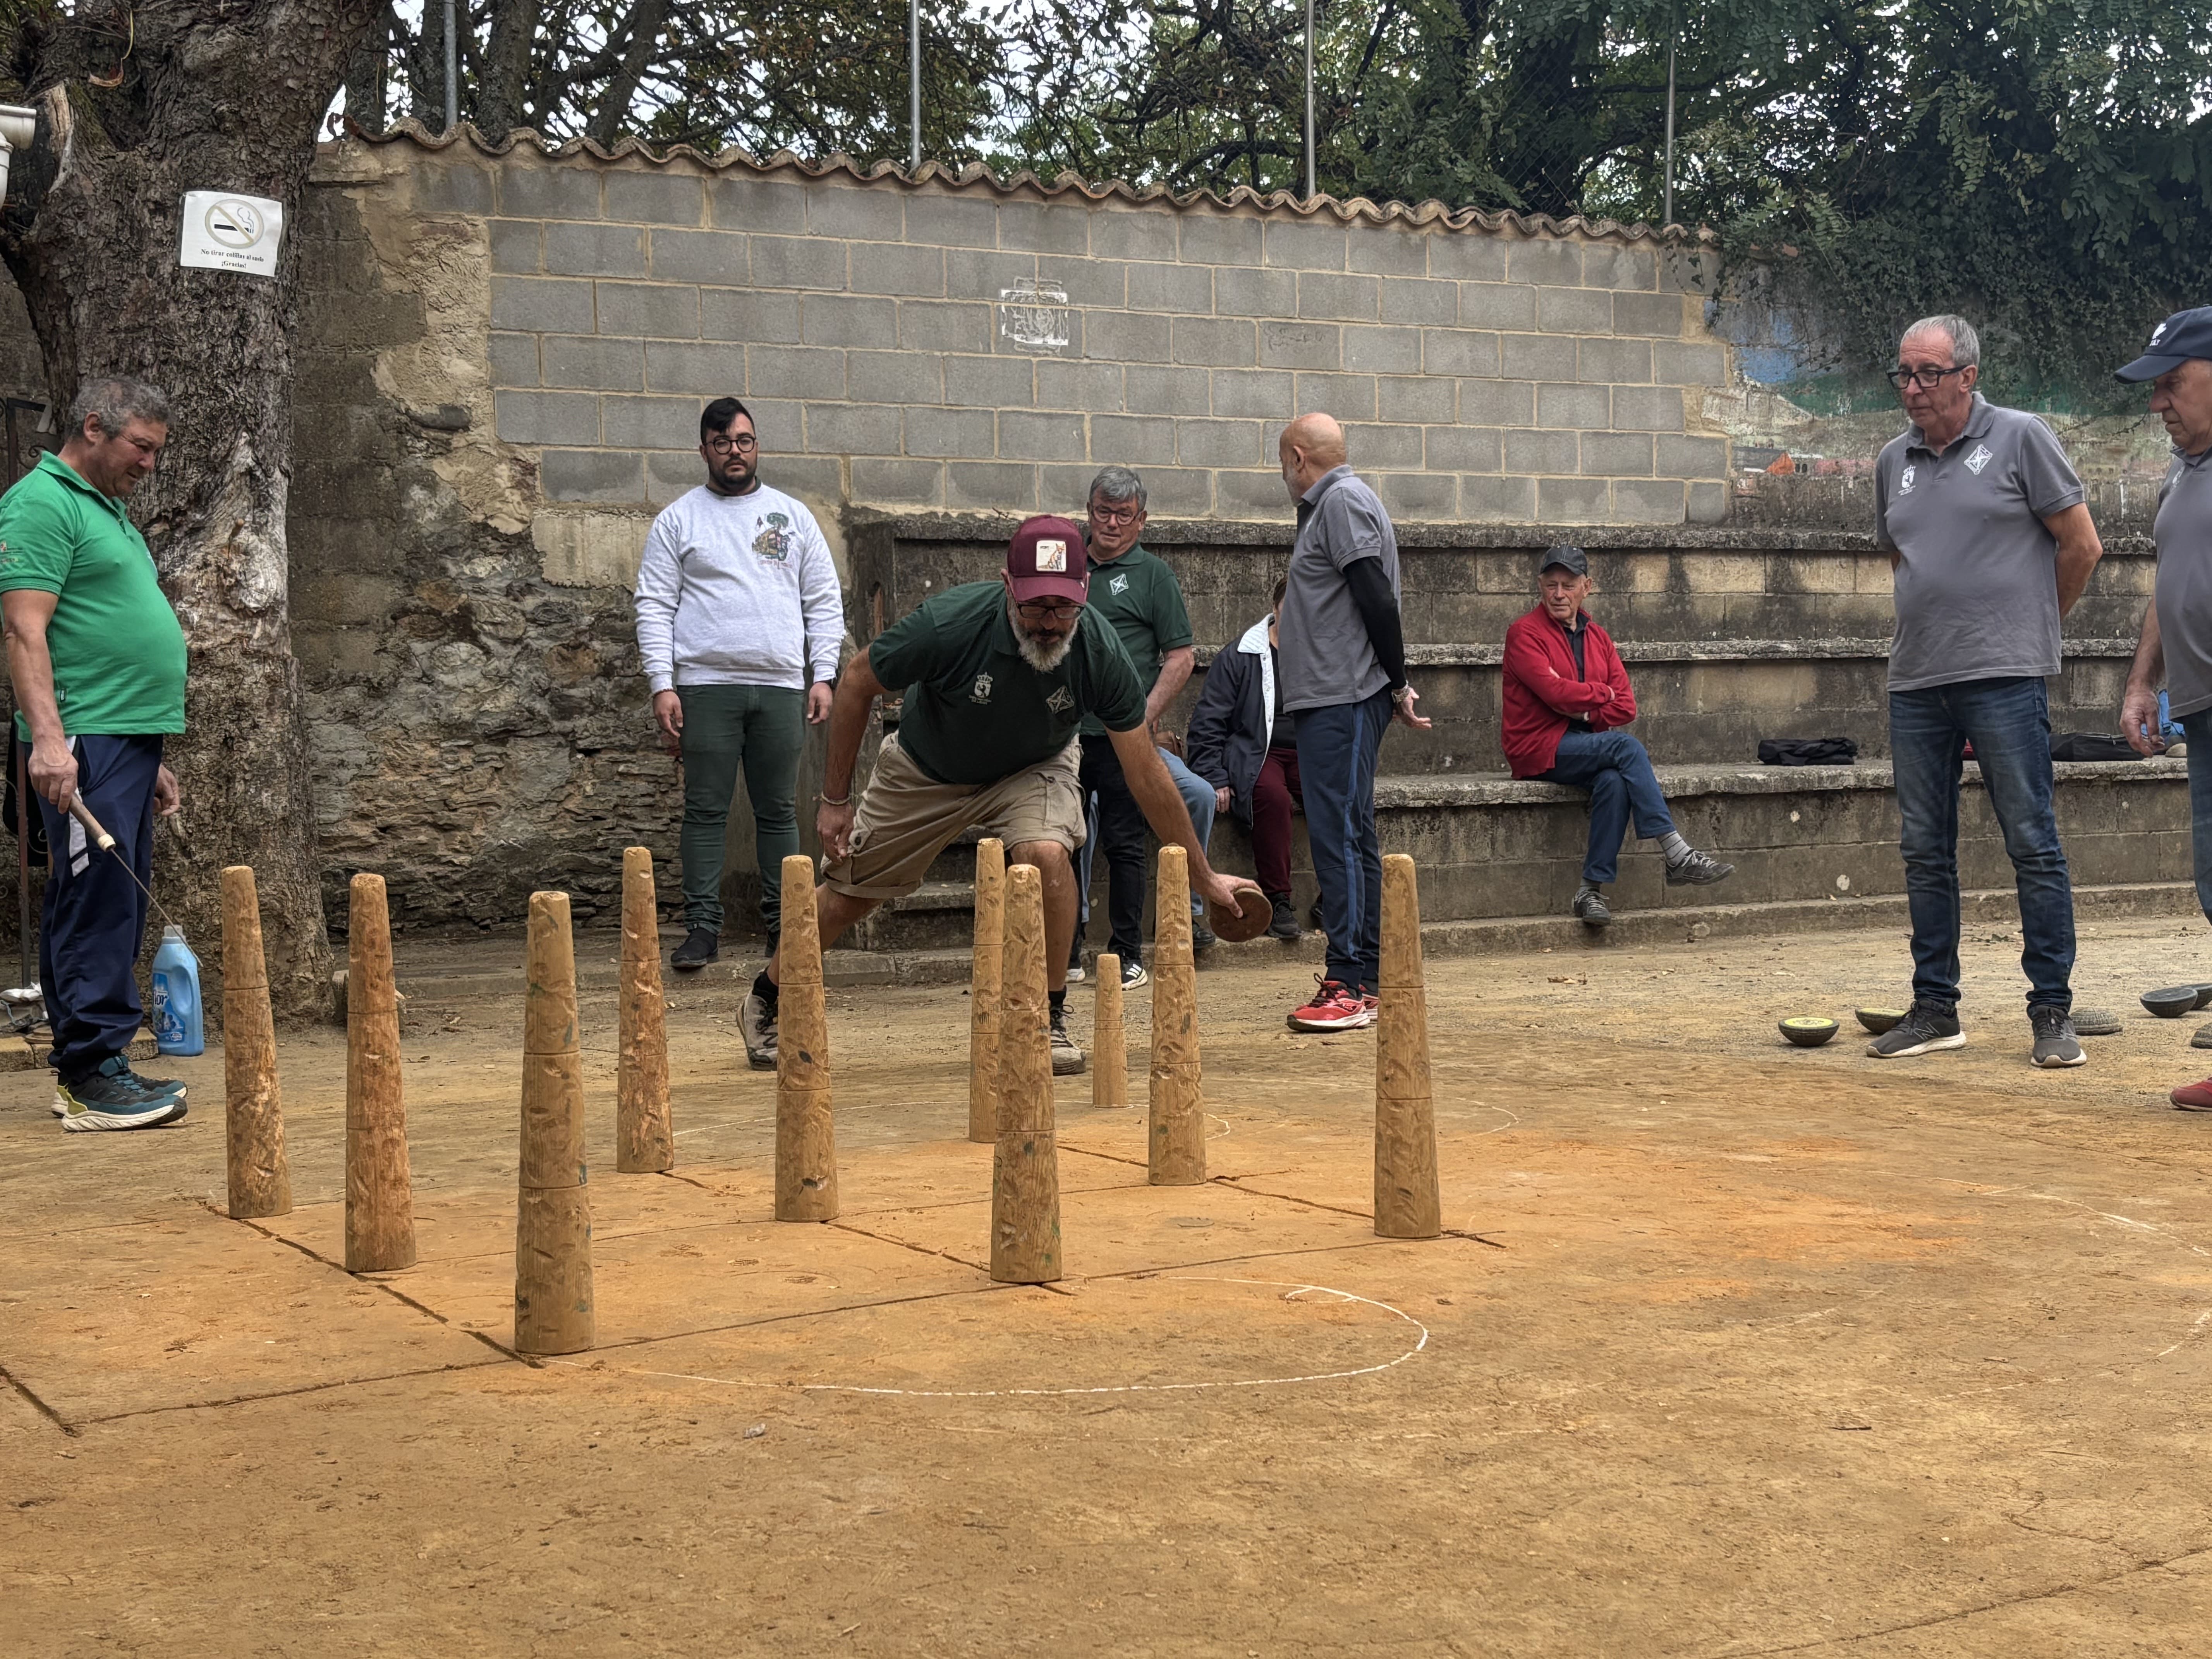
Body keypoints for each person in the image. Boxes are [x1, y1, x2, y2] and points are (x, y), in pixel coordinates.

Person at [738, 515, 1244, 1076]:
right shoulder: (950, 623)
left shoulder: (1097, 649)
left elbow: (1147, 772)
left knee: (1048, 856)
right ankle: (767, 996)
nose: (1049, 625)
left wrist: (1203, 874)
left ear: (1084, 596)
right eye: (1034, 607)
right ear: (1008, 587)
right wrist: (834, 799)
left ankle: (1047, 1017)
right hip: (928, 768)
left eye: (1063, 608)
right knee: (850, 895)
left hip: (1035, 766)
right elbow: (858, 680)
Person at [1869, 314, 2104, 1067]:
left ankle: (2052, 1011)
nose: (1912, 388)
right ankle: (1936, 1006)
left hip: (2004, 677)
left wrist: (2029, 631)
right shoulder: (1890, 461)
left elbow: (2083, 544)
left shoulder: (2021, 437)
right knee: (1922, 850)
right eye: (1904, 373)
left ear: (1968, 376)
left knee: (2032, 842)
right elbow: (1905, 561)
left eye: (1928, 374)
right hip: (1917, 680)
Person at [0, 376, 188, 1130]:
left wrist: (149, 752)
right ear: (93, 428)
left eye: (155, 452)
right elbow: (24, 631)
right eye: (141, 448)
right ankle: (86, 1077)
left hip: (122, 738)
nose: (150, 464)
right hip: (81, 737)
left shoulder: (107, 513)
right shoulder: (40, 503)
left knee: (110, 898)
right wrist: (49, 740)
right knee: (94, 898)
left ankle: (100, 1062)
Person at [634, 397, 844, 971]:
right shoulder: (679, 519)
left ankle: (782, 931)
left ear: (758, 447)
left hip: (780, 687)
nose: (735, 452)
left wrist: (821, 674)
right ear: (703, 449)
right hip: (705, 685)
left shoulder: (792, 516)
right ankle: (703, 928)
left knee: (779, 812)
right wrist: (663, 684)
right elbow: (654, 604)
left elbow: (823, 600)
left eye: (744, 441)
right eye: (722, 442)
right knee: (705, 810)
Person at [1273, 413, 1430, 1032]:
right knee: (1351, 830)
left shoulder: (1340, 502)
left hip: (1343, 695)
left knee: (1339, 834)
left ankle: (1347, 982)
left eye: (1282, 462)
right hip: (1334, 696)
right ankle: (1365, 976)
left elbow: (1375, 596)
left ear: (1297, 456)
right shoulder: (1339, 503)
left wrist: (1396, 682)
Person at [1501, 546, 1733, 924]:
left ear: (1586, 587)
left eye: (1568, 585)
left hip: (1588, 746)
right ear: (1541, 587)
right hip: (1537, 747)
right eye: (1551, 585)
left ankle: (1589, 891)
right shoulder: (1524, 634)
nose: (1559, 594)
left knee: (1614, 781)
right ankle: (1676, 854)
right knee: (1624, 746)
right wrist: (1598, 694)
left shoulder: (1599, 638)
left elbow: (1626, 706)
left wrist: (1583, 705)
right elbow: (1554, 694)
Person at [2112, 307, 2212, 1108]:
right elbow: (2169, 586)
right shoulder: (2187, 475)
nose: (2159, 405)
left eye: (2173, 384)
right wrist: (2145, 681)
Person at [1069, 466, 1218, 993]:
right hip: (1063, 729)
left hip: (1122, 734)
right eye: (1101, 512)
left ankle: (1127, 953)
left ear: (1142, 521)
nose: (1110, 524)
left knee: (1126, 843)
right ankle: (1066, 952)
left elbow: (1180, 658)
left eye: (1122, 515)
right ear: (1087, 512)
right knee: (1062, 839)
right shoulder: (1064, 562)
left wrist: (1145, 716)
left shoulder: (1155, 575)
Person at [1187, 579, 1305, 941]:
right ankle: (1278, 898)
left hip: (1308, 751)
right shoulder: (1240, 654)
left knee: (1340, 793)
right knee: (1271, 796)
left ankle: (1335, 899)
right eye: (1290, 612)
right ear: (1275, 608)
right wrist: (1213, 773)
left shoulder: (1324, 653)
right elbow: (1208, 720)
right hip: (1257, 752)